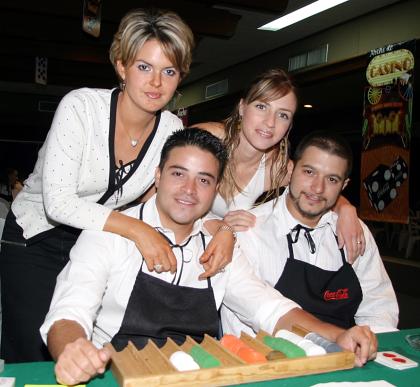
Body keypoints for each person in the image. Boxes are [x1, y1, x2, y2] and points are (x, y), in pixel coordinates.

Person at [41, 128, 377, 386]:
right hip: (115, 375)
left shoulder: (221, 245)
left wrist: (335, 335)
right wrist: (72, 349)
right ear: (157, 177)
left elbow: (269, 308)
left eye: (204, 180)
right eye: (178, 174)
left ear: (215, 189)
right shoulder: (107, 234)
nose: (189, 191)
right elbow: (69, 313)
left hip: (199, 378)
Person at [0, 8, 233, 363]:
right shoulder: (81, 107)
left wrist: (223, 228)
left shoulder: (170, 129)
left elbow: (184, 196)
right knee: (35, 352)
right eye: (144, 67)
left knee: (88, 351)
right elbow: (58, 204)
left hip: (97, 241)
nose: (156, 83)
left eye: (168, 71)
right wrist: (137, 230)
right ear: (122, 66)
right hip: (36, 238)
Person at [222, 131, 398, 337]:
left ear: (344, 186)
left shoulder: (354, 232)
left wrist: (371, 344)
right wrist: (336, 338)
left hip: (343, 359)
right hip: (266, 359)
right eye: (309, 172)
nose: (318, 188)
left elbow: (378, 304)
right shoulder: (249, 229)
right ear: (290, 169)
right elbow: (259, 308)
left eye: (332, 179)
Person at [197, 69, 366, 262]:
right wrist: (215, 224)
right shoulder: (206, 140)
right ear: (242, 107)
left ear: (290, 124)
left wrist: (346, 210)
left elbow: (319, 187)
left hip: (222, 261)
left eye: (283, 115)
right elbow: (163, 191)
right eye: (261, 107)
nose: (270, 122)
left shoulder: (279, 167)